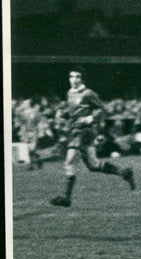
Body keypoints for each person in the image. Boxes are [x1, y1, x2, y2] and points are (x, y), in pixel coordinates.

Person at [50, 66, 135, 207]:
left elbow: (103, 109)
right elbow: (74, 112)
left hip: (85, 131)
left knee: (70, 161)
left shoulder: (88, 93)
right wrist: (63, 114)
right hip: (76, 131)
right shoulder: (70, 93)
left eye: (77, 77)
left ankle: (66, 197)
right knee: (94, 165)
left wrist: (89, 119)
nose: (74, 79)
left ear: (82, 79)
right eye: (72, 76)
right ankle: (124, 172)